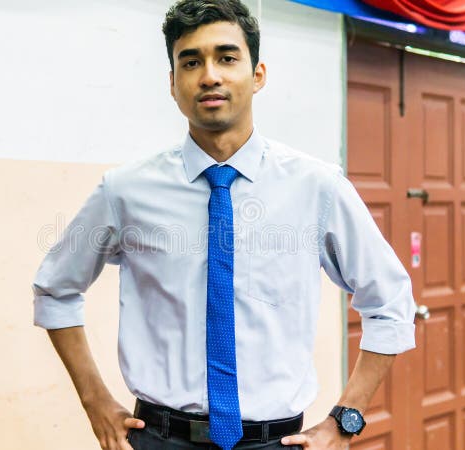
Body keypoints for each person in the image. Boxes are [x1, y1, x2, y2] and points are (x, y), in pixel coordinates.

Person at [31, 1, 416, 449]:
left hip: (277, 442)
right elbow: (55, 289)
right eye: (191, 62)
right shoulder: (125, 191)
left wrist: (346, 418)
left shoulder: (317, 188)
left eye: (227, 58)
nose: (209, 75)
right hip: (159, 439)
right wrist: (94, 400)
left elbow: (390, 301)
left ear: (257, 75)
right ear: (173, 84)